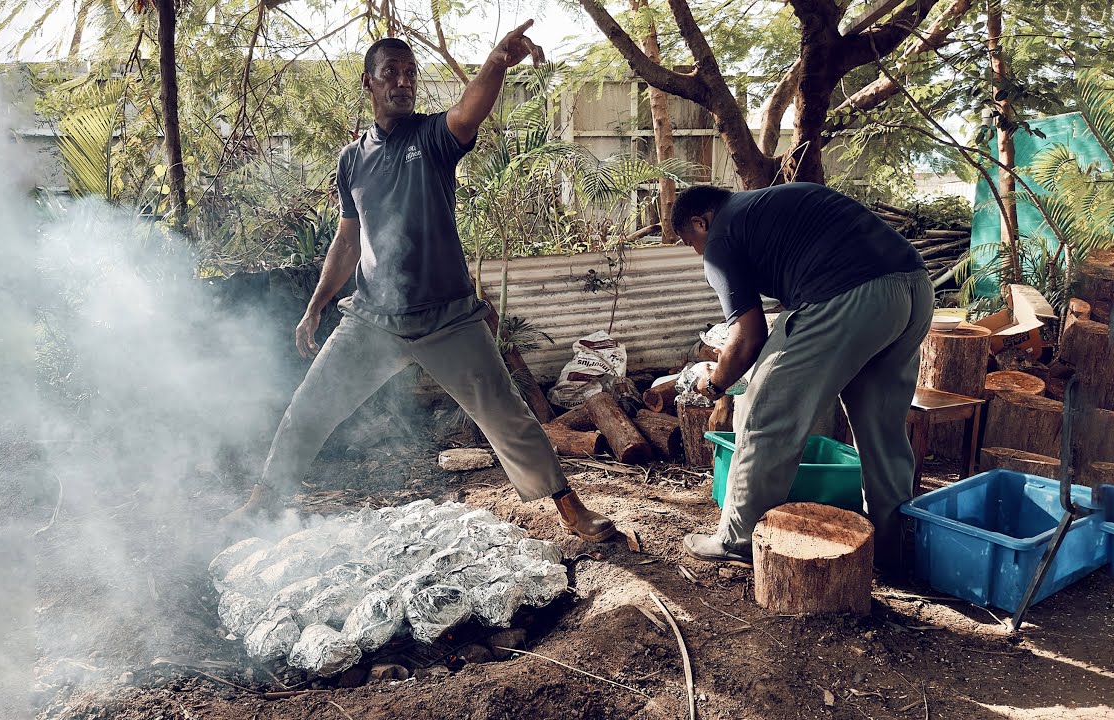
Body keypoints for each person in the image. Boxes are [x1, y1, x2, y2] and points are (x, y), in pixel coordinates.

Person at [221, 24, 617, 543]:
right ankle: (261, 503)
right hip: (372, 321)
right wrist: (317, 304)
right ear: (369, 82)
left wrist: (498, 60)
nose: (403, 82)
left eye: (410, 73)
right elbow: (346, 240)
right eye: (392, 73)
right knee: (307, 410)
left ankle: (570, 508)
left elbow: (467, 111)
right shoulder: (352, 159)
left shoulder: (431, 138)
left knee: (508, 419)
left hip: (449, 319)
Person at [672, 182, 932, 570]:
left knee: (765, 416)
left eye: (690, 242)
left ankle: (737, 540)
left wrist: (714, 385)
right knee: (882, 429)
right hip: (915, 290)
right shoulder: (767, 204)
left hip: (848, 298)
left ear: (701, 221)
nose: (697, 253)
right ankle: (891, 548)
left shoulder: (721, 237)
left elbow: (748, 336)